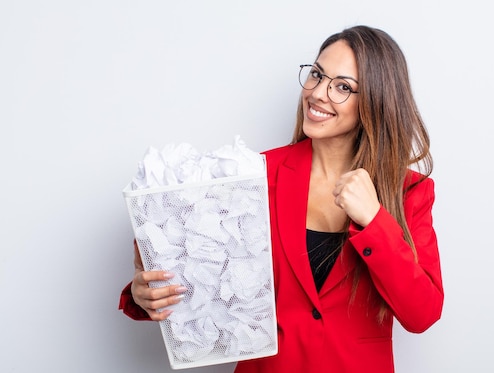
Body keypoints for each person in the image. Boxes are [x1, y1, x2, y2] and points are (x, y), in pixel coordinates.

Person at [119, 25, 444, 373]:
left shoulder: (408, 191)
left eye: (343, 87)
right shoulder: (254, 175)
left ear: (376, 102)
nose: (319, 93)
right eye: (317, 75)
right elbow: (198, 272)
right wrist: (144, 296)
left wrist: (375, 219)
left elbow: (422, 313)